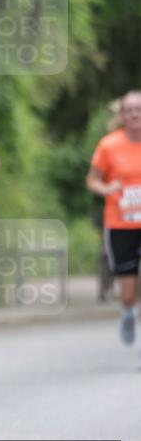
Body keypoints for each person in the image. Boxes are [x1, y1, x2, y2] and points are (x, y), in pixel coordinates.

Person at [87, 90, 141, 362]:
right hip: (120, 224)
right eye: (130, 110)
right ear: (121, 115)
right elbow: (92, 180)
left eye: (139, 109)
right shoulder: (109, 145)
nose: (135, 114)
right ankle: (128, 311)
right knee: (128, 289)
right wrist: (107, 187)